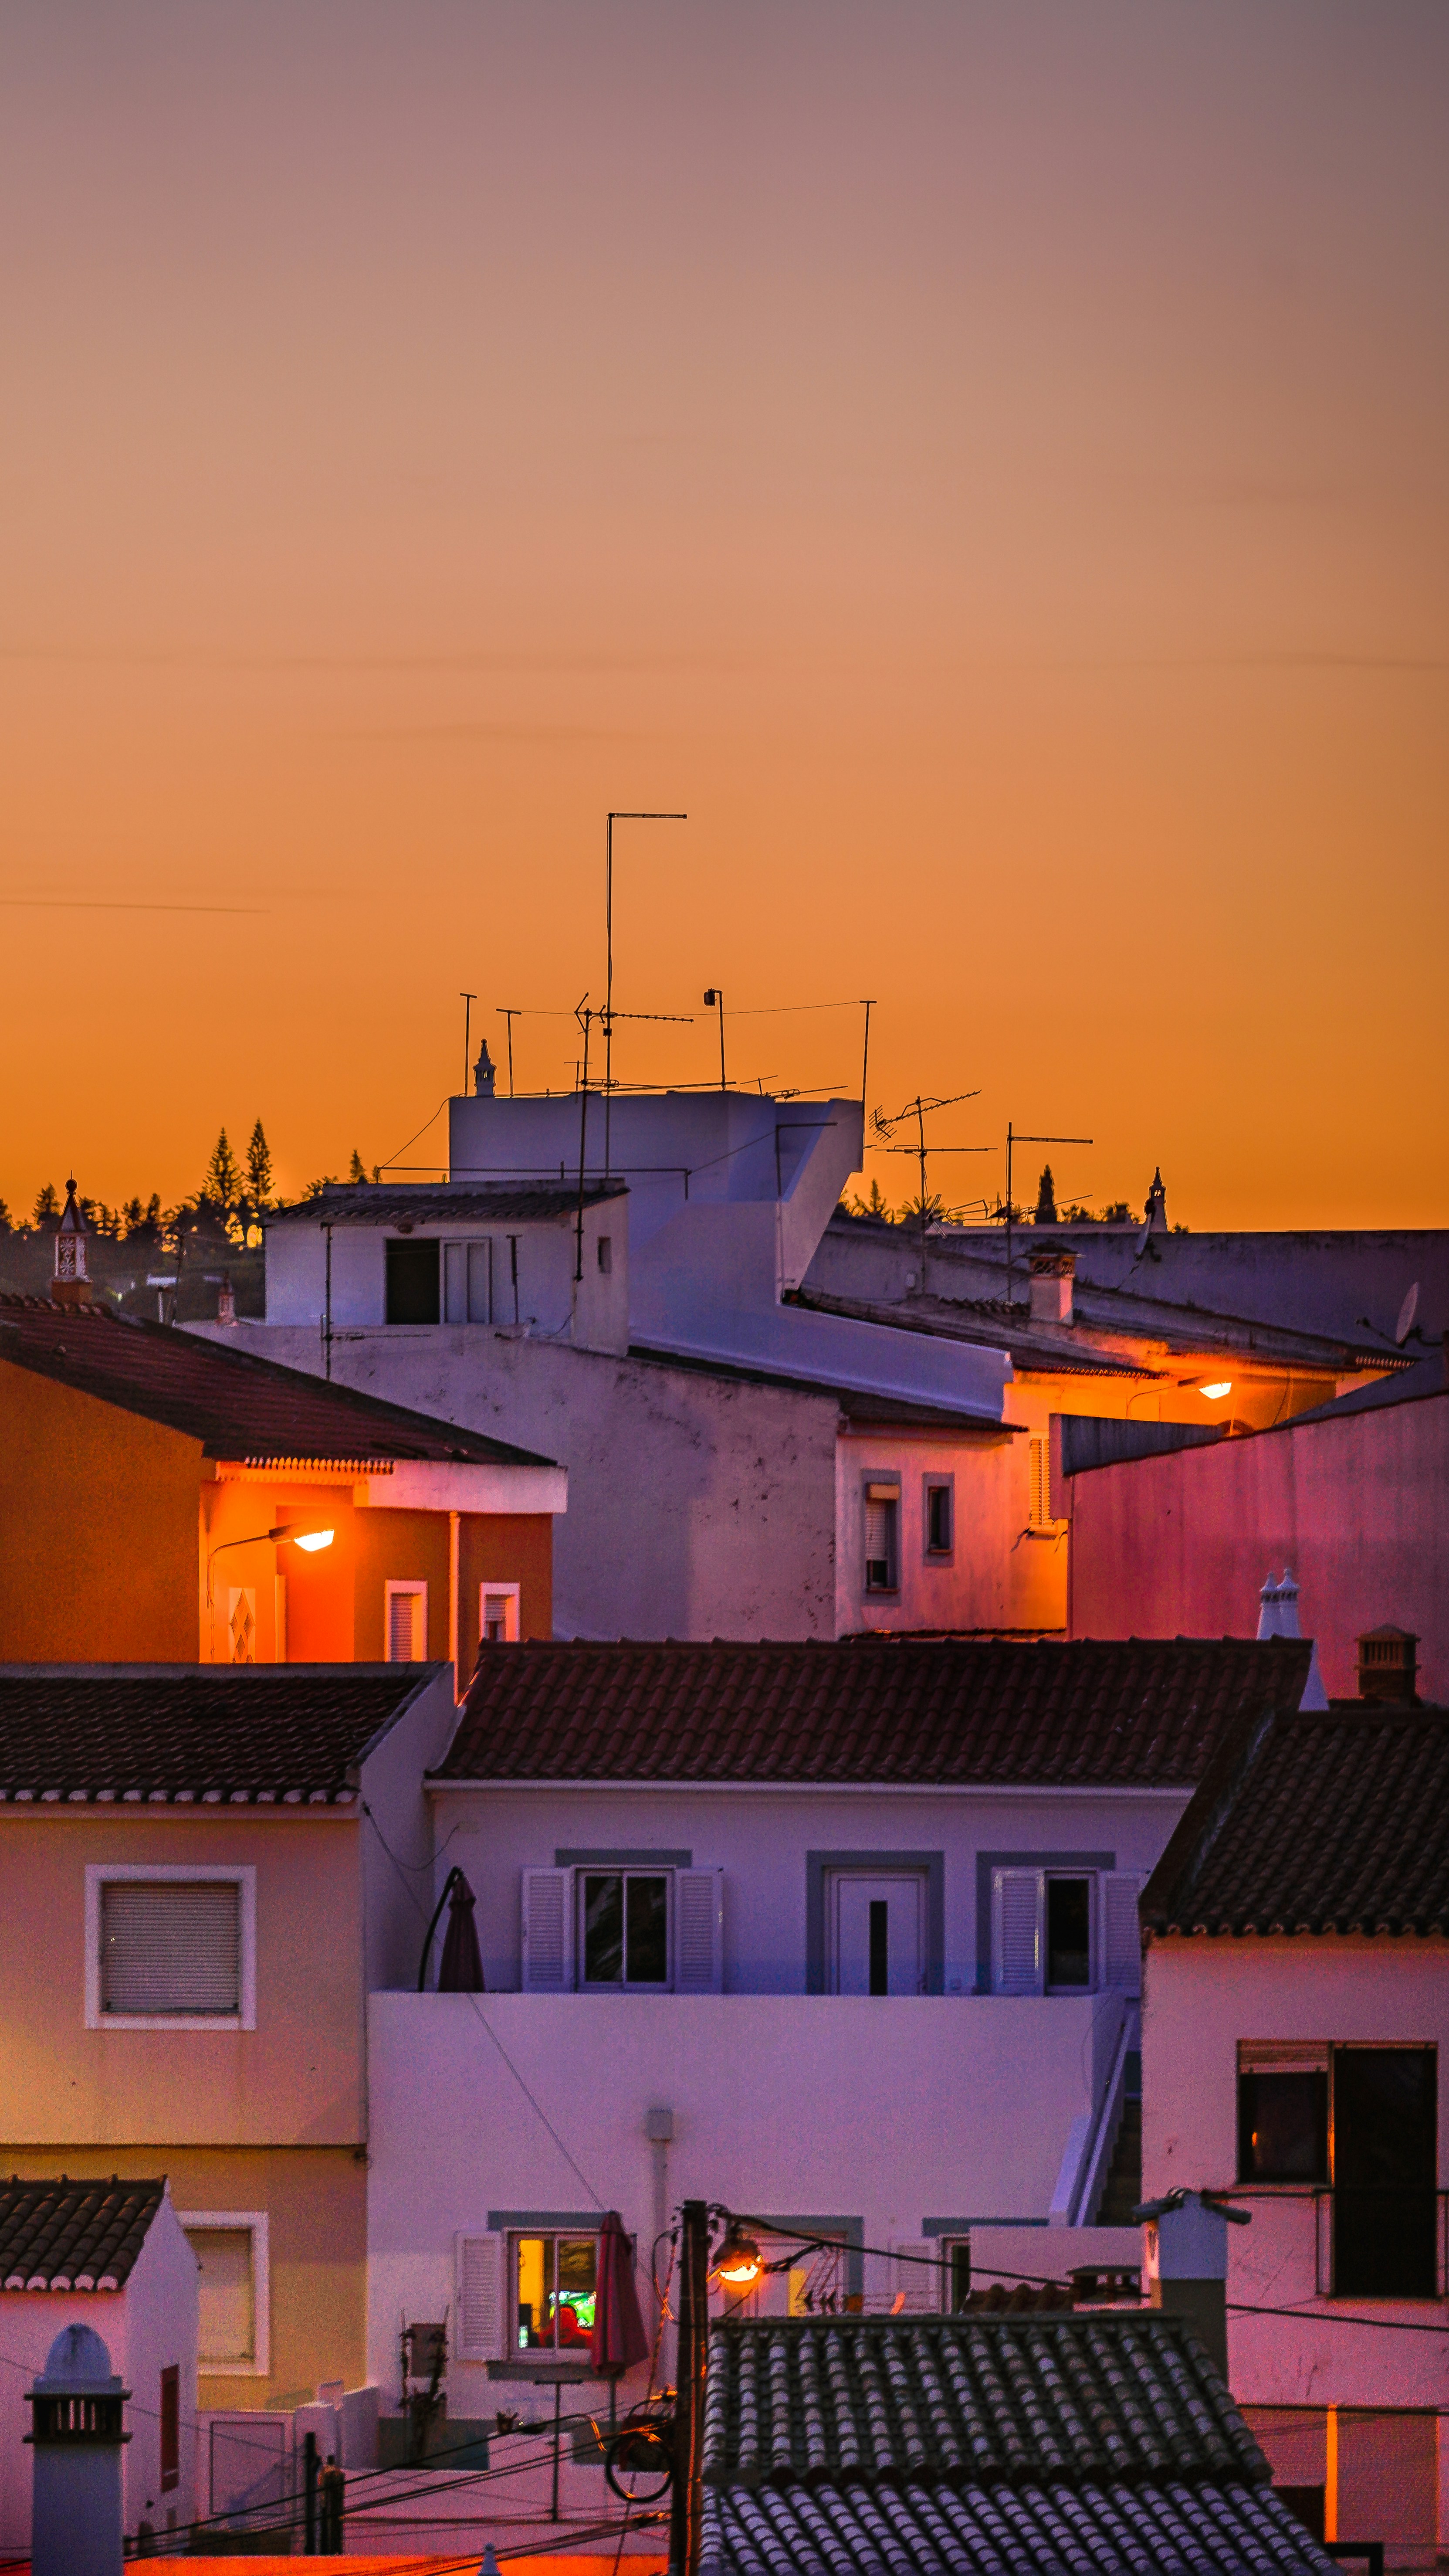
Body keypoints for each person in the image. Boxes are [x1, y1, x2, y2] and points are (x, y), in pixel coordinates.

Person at [319, 2451, 345, 2554]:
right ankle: (336, 2549)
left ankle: (331, 2550)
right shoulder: (337, 2473)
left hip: (328, 2504)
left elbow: (322, 2486)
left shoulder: (325, 2472)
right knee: (335, 2527)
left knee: (329, 2527)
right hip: (335, 2504)